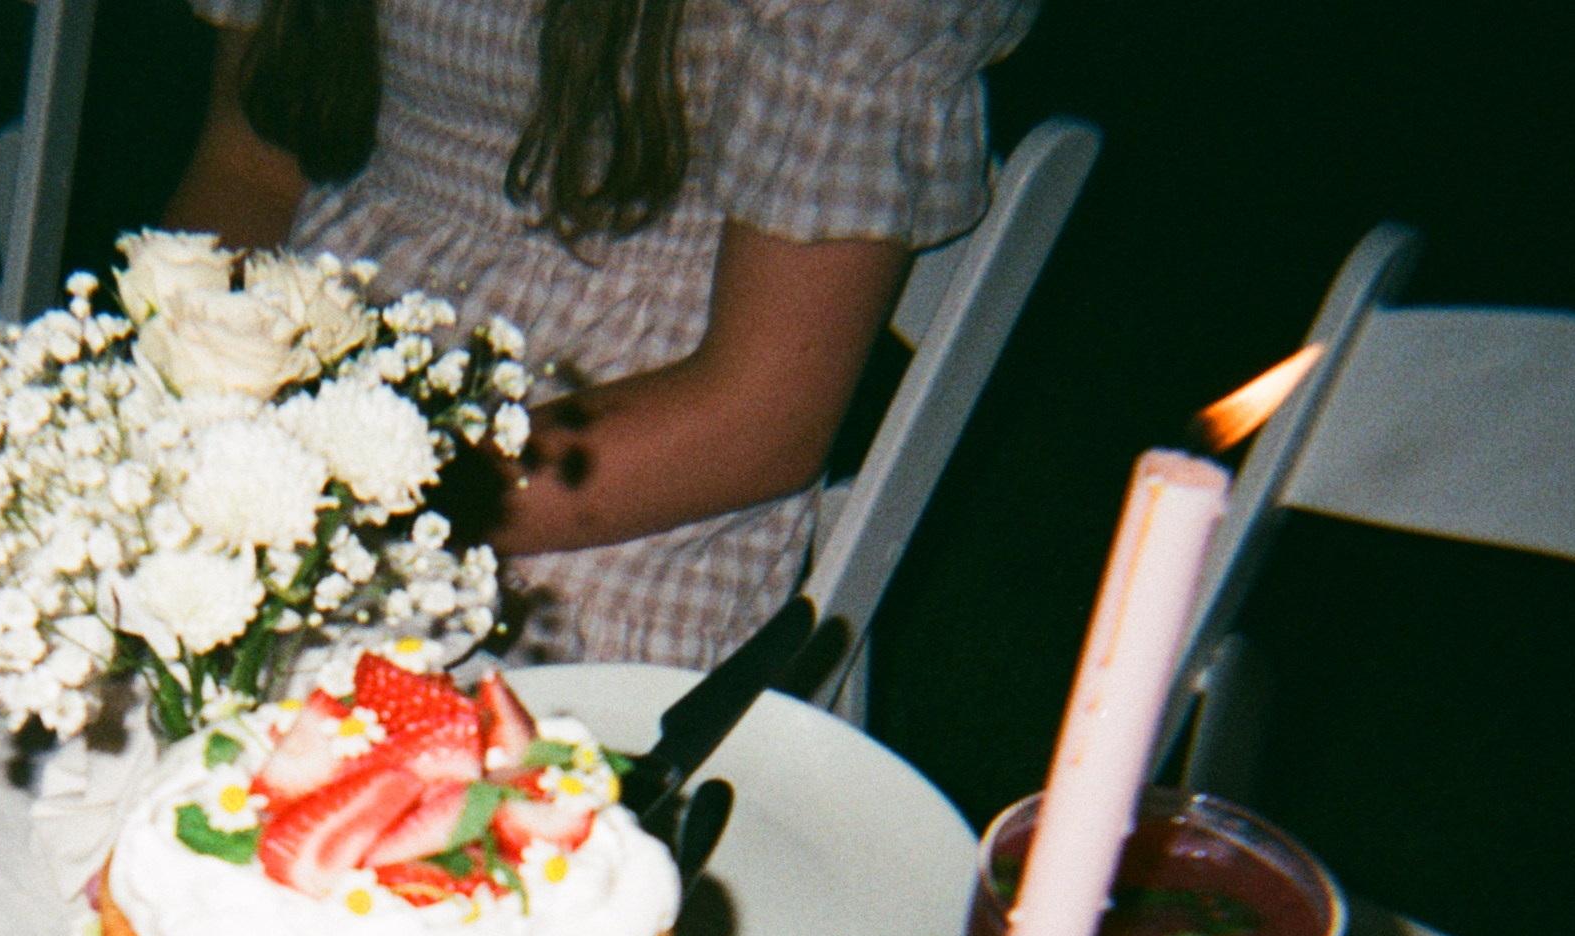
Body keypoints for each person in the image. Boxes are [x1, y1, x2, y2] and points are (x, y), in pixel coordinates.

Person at [163, 0, 1036, 666]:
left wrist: (345, 508)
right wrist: (178, 407)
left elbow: (763, 418)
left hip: (614, 457)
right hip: (319, 351)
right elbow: (248, 167)